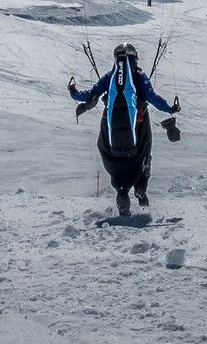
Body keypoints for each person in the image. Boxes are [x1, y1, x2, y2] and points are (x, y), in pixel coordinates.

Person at [71, 43, 178, 217]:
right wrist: (170, 109)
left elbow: (90, 95)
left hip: (111, 137)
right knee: (145, 154)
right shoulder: (139, 76)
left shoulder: (109, 77)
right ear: (134, 57)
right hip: (139, 127)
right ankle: (141, 187)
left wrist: (74, 92)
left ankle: (122, 194)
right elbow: (152, 97)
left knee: (114, 161)